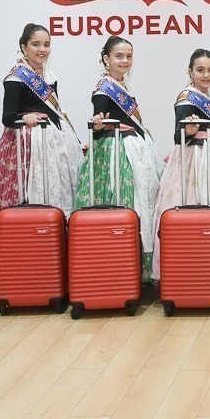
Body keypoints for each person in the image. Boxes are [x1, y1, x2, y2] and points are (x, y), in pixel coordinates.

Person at [75, 35, 164, 282]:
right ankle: (116, 266)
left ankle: (135, 268)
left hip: (134, 148)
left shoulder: (125, 86)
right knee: (122, 200)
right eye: (119, 56)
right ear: (106, 59)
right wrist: (98, 122)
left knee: (141, 200)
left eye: (128, 56)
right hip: (115, 151)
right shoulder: (103, 88)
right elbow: (99, 115)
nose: (124, 61)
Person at [152, 48, 210, 279]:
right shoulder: (186, 97)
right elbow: (178, 135)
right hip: (194, 161)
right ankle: (191, 268)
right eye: (200, 70)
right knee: (194, 210)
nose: (206, 75)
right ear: (190, 72)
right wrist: (188, 130)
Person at [0, 23, 83, 215]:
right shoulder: (15, 78)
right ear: (24, 47)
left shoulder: (50, 76)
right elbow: (7, 117)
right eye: (36, 44)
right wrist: (24, 117)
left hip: (55, 140)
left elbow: (54, 110)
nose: (42, 50)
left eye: (46, 45)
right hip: (26, 145)